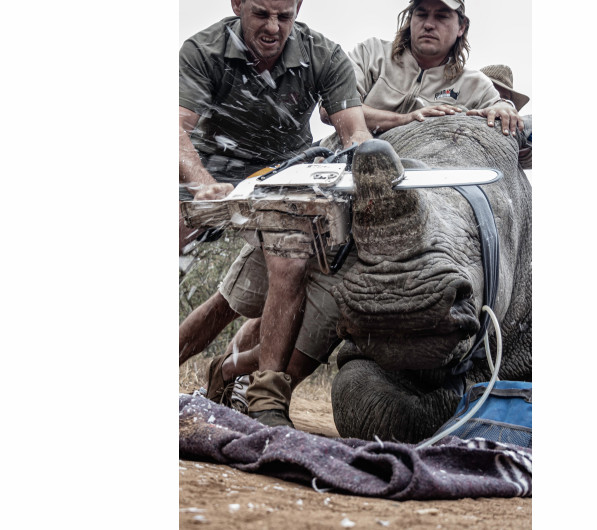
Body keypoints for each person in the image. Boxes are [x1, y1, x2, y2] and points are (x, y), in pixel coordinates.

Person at [178, 0, 373, 427]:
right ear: (236, 4)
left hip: (286, 171)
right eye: (261, 14)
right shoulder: (202, 49)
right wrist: (200, 181)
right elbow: (175, 127)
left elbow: (354, 132)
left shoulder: (324, 54)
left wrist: (361, 168)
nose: (273, 27)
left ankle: (266, 400)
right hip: (211, 164)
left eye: (285, 16)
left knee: (290, 259)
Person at [321, 0, 524, 138]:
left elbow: (500, 111)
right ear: (411, 20)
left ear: (462, 27)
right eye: (421, 14)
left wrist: (504, 107)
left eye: (442, 16)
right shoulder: (371, 53)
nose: (428, 24)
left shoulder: (475, 84)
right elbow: (330, 109)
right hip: (344, 166)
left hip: (429, 186)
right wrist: (406, 120)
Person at [479, 64, 532, 169]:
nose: (498, 101)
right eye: (490, 94)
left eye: (504, 99)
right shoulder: (452, 114)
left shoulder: (518, 128)